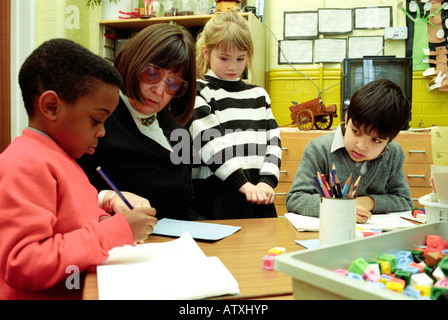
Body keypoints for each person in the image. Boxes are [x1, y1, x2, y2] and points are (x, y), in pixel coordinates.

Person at [0, 39, 157, 299]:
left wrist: (105, 218)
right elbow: (24, 263)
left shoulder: (63, 158)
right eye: (96, 120)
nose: (103, 132)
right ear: (51, 107)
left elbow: (74, 218)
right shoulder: (24, 164)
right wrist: (113, 232)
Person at [77, 23, 197, 220]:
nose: (159, 91)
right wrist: (110, 197)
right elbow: (69, 189)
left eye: (173, 83)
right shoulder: (100, 120)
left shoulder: (174, 121)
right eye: (152, 74)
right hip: (131, 239)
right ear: (134, 62)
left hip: (182, 236)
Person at [188, 11, 282, 219]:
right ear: (206, 52)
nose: (232, 66)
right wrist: (243, 184)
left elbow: (273, 142)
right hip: (217, 199)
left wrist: (267, 182)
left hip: (258, 196)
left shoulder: (259, 95)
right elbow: (209, 142)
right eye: (224, 58)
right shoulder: (198, 91)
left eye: (240, 58)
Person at [286, 78, 413, 223]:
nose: (361, 146)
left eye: (376, 140)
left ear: (390, 139)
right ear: (347, 119)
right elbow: (295, 199)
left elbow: (404, 201)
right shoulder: (318, 149)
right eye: (356, 131)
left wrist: (368, 202)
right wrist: (339, 208)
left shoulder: (393, 154)